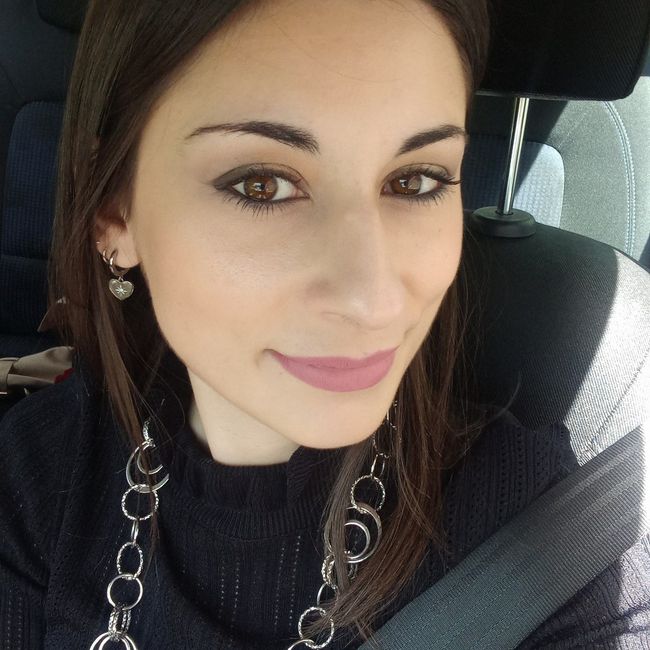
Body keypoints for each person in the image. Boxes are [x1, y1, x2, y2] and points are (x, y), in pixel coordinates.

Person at [0, 0, 648, 648]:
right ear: (114, 214)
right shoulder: (36, 479)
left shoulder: (545, 540)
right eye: (262, 185)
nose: (373, 301)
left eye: (416, 180)